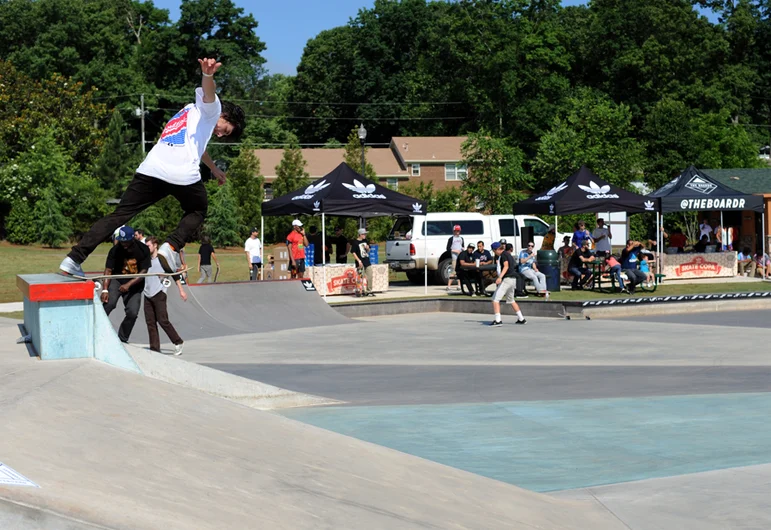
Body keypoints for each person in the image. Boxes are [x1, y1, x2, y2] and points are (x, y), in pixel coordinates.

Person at [59, 57, 246, 278]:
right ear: (225, 115)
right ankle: (171, 246)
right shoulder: (212, 110)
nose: (220, 133)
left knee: (119, 215)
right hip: (182, 175)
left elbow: (198, 148)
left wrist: (213, 168)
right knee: (198, 210)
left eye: (224, 135)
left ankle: (73, 259)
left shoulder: (189, 111)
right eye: (225, 129)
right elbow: (209, 92)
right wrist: (208, 75)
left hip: (151, 169)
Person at [100, 226, 151, 343]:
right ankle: (97, 329)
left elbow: (144, 272)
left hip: (135, 283)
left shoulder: (143, 249)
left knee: (132, 313)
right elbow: (108, 270)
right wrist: (105, 290)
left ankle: (122, 339)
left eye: (126, 242)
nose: (124, 245)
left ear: (132, 238)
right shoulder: (115, 250)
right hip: (117, 279)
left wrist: (129, 284)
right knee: (109, 304)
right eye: (122, 242)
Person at [143, 236, 186, 355]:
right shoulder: (145, 260)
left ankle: (178, 342)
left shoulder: (162, 260)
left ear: (155, 245)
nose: (147, 248)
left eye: (148, 246)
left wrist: (181, 290)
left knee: (163, 320)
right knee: (150, 322)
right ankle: (154, 348)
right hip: (147, 293)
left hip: (159, 293)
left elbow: (174, 274)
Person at [489, 242, 526, 327]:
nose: (494, 253)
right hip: (513, 279)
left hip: (507, 279)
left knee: (495, 299)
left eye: (494, 251)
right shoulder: (508, 254)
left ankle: (498, 320)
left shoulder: (503, 255)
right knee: (511, 300)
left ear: (497, 249)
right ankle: (521, 319)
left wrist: (500, 277)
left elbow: (506, 266)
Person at [351, 228, 374, 296]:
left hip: (366, 260)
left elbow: (368, 250)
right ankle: (362, 291)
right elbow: (353, 252)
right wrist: (358, 260)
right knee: (361, 277)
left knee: (370, 275)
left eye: (365, 234)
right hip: (360, 261)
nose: (365, 235)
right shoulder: (355, 242)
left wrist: (368, 248)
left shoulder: (365, 240)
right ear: (359, 235)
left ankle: (369, 290)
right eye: (363, 234)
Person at [446, 224, 464, 291]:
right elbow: (448, 248)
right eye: (456, 231)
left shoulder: (461, 238)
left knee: (460, 271)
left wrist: (462, 250)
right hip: (454, 257)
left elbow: (462, 246)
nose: (457, 232)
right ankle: (449, 286)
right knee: (453, 271)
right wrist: (456, 251)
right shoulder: (451, 239)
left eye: (458, 231)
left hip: (460, 257)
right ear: (454, 231)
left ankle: (459, 285)